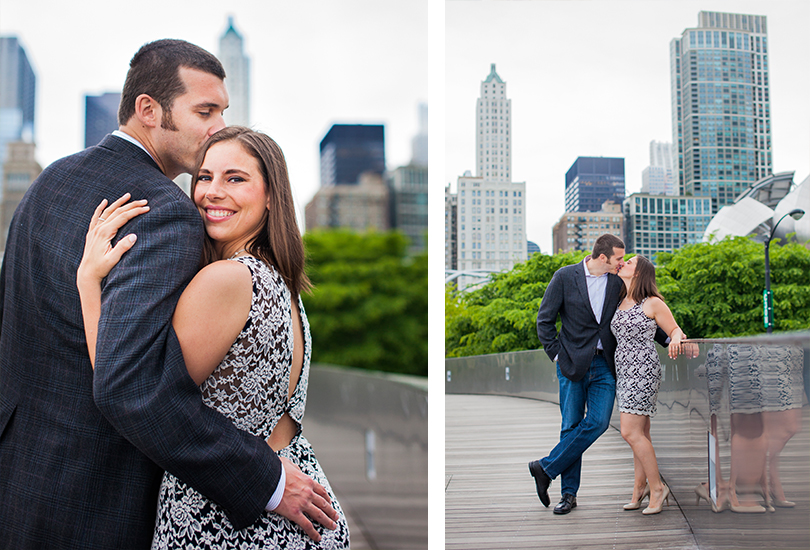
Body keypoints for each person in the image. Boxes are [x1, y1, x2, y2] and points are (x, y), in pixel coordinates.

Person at [0, 40, 335, 549]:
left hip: (19, 479)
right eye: (205, 111)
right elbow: (132, 385)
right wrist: (264, 481)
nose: (217, 126)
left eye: (223, 111)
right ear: (149, 110)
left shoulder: (49, 182)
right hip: (101, 497)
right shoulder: (165, 211)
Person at [78, 127, 350, 547]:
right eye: (204, 177)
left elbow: (129, 388)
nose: (212, 192)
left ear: (271, 195)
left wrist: (88, 281)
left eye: (235, 178)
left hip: (232, 524)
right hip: (297, 508)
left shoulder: (227, 280)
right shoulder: (282, 285)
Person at [531, 234, 669, 515]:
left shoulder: (618, 282)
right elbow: (544, 319)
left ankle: (546, 467)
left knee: (597, 423)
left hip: (605, 365)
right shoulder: (564, 277)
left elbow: (638, 317)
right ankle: (568, 494)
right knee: (570, 425)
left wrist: (671, 338)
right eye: (619, 258)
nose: (622, 263)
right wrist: (557, 356)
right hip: (570, 365)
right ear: (603, 257)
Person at [610, 254, 684, 514]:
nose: (623, 264)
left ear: (640, 273)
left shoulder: (652, 303)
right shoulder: (620, 300)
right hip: (624, 371)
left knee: (630, 433)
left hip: (643, 371)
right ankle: (639, 489)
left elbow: (674, 329)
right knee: (640, 434)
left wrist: (676, 339)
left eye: (629, 262)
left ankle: (657, 488)